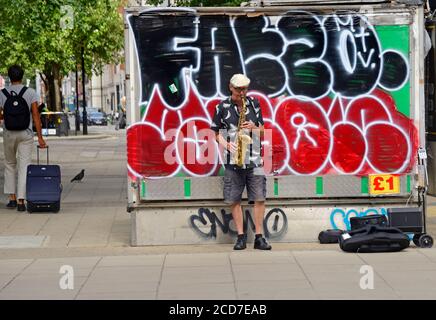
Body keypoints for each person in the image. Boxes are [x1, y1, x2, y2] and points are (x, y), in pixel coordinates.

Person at [210, 73, 271, 250]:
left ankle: (259, 237)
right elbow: (214, 132)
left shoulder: (254, 104)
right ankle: (241, 236)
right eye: (238, 89)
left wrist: (254, 128)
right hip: (233, 160)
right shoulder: (221, 107)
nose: (241, 92)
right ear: (230, 87)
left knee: (260, 197)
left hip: (255, 159)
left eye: (244, 89)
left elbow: (263, 132)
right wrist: (226, 144)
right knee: (234, 199)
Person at [0, 65, 47, 211]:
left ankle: (12, 198)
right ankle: (21, 200)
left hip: (8, 133)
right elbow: (35, 115)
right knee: (24, 165)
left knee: (9, 164)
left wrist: (6, 117)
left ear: (9, 77)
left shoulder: (2, 93)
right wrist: (40, 137)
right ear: (22, 76)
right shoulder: (31, 92)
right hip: (25, 133)